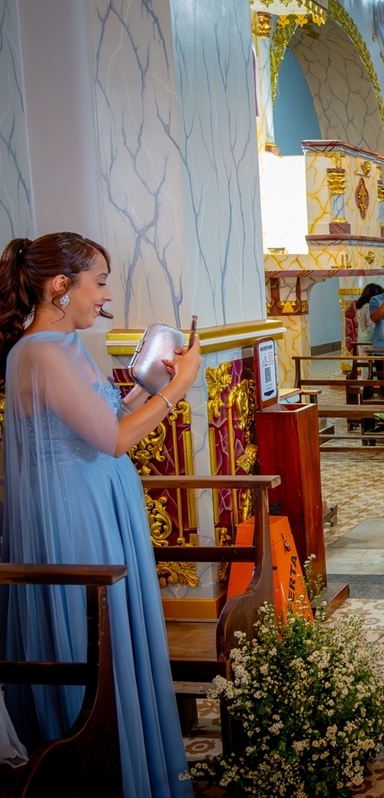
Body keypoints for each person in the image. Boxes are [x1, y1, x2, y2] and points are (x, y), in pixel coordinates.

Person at [0, 232, 200, 795]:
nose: (107, 295)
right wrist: (180, 388)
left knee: (119, 639)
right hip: (74, 516)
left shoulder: (66, 345)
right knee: (94, 638)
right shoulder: (39, 353)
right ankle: (100, 769)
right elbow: (113, 440)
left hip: (101, 502)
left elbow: (103, 418)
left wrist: (155, 383)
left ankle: (133, 757)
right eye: (100, 282)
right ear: (61, 285)